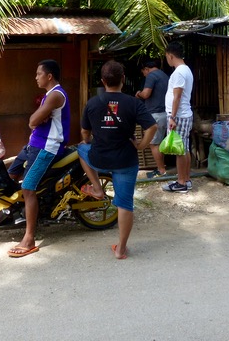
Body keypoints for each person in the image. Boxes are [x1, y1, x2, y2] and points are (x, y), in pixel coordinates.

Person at [78, 60, 157, 260]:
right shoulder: (133, 103)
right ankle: (121, 249)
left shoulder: (93, 103)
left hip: (99, 159)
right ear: (123, 79)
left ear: (103, 81)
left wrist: (88, 141)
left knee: (80, 149)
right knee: (124, 204)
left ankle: (97, 187)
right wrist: (141, 145)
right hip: (125, 161)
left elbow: (85, 132)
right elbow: (152, 127)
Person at [6, 60, 70, 258]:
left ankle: (29, 238)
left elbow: (33, 121)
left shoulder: (56, 95)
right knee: (10, 175)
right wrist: (36, 119)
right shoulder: (48, 95)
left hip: (47, 147)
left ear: (49, 76)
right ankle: (17, 214)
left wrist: (36, 119)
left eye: (38, 74)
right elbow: (34, 122)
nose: (36, 77)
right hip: (34, 145)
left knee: (28, 188)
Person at [162, 42, 194, 193]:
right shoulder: (185, 69)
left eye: (166, 57)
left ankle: (181, 183)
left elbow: (177, 96)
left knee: (179, 150)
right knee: (184, 149)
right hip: (183, 114)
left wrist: (172, 117)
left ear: (170, 56)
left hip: (179, 116)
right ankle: (186, 180)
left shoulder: (179, 72)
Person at [135, 59, 169, 179]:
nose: (144, 75)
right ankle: (161, 168)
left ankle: (161, 171)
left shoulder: (151, 76)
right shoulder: (164, 76)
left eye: (143, 72)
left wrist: (138, 94)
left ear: (146, 69)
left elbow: (146, 94)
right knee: (159, 143)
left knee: (154, 144)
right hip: (165, 113)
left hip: (156, 114)